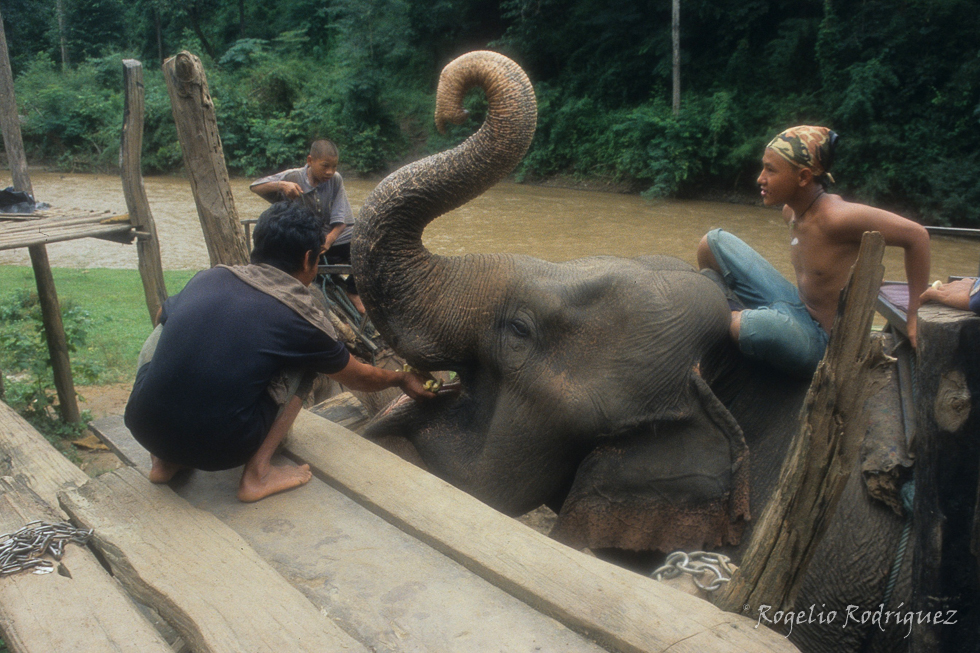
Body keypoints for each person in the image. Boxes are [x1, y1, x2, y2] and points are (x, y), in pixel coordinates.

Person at [124, 202, 435, 502]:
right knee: (309, 364)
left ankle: (164, 463)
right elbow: (358, 377)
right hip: (220, 451)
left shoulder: (210, 276)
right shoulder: (300, 316)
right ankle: (257, 474)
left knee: (165, 323)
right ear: (308, 258)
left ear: (257, 245)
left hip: (143, 426)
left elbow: (163, 311)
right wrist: (400, 378)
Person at [696, 125, 931, 378]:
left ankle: (727, 317)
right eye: (764, 167)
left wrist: (914, 313)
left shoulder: (837, 218)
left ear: (803, 177)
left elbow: (917, 236)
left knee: (751, 328)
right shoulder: (791, 212)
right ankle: (732, 316)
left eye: (771, 170)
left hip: (821, 341)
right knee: (711, 242)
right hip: (795, 304)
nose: (760, 178)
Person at [249, 139, 365, 314]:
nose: (330, 171)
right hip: (303, 237)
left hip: (327, 237)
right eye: (325, 166)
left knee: (365, 241)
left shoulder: (335, 179)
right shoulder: (292, 176)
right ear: (310, 161)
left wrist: (329, 239)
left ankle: (353, 290)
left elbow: (342, 218)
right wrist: (282, 185)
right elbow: (255, 186)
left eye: (334, 166)